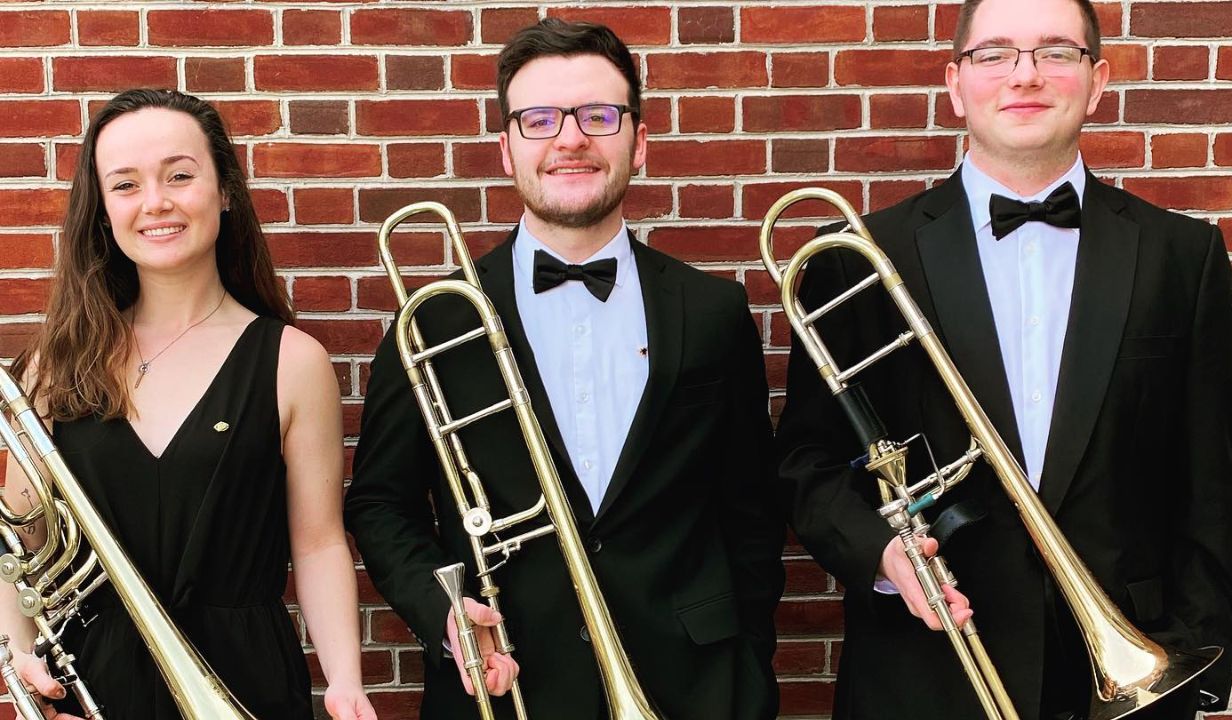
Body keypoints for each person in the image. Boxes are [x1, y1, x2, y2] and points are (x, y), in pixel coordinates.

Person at [776, 0, 1232, 718]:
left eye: (1056, 52)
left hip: (1133, 671)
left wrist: (1199, 671)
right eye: (993, 54)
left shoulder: (1182, 257)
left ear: (1097, 81)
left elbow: (1207, 483)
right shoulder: (859, 257)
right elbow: (808, 462)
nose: (1024, 76)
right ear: (955, 84)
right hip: (927, 664)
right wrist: (883, 554)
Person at [345, 19, 784, 720]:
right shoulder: (435, 320)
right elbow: (379, 503)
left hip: (694, 684)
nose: (571, 138)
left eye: (598, 116)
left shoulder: (713, 311)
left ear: (638, 141)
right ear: (506, 147)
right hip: (505, 680)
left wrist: (748, 668)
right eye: (540, 118)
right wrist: (449, 613)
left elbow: (751, 509)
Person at [1, 89, 375, 720]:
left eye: (179, 175)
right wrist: (19, 654)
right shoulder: (53, 367)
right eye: (125, 185)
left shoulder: (292, 361)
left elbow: (317, 542)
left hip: (245, 679)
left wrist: (345, 680)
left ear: (225, 191)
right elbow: (20, 546)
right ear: (101, 212)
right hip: (95, 682)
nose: (156, 202)